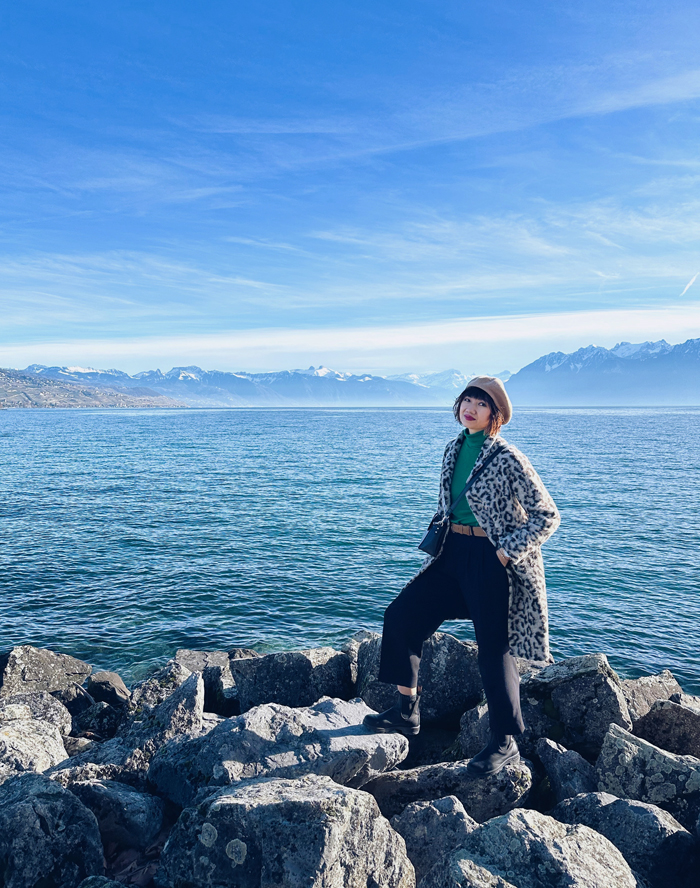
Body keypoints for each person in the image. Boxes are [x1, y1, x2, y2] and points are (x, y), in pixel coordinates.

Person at [363, 376, 560, 776]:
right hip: (452, 554)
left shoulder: (507, 457)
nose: (470, 407)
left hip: (492, 559)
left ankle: (504, 743)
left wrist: (506, 552)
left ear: (495, 415)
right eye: (466, 400)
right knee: (401, 617)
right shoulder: (453, 448)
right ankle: (407, 711)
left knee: (493, 650)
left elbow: (548, 515)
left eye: (480, 404)